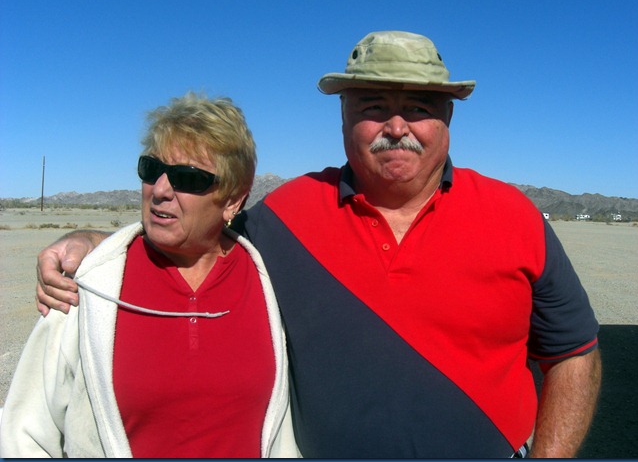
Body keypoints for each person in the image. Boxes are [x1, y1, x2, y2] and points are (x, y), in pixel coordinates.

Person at [32, 31, 601, 458]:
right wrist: (93, 242)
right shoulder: (287, 214)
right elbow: (198, 231)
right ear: (344, 116)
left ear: (447, 117)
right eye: (372, 107)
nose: (396, 126)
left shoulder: (513, 215)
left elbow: (574, 353)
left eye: (419, 108)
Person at [0, 93, 299, 458]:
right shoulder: (89, 284)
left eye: (187, 177)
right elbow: (24, 433)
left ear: (233, 199)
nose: (160, 190)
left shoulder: (268, 279)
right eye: (151, 169)